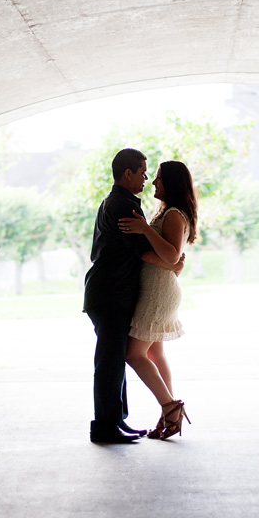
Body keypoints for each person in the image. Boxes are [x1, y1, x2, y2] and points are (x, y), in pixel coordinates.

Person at [83, 148, 185, 444]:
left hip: (111, 292)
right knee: (110, 360)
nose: (146, 179)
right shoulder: (124, 205)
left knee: (115, 359)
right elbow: (140, 251)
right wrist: (174, 263)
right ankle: (105, 425)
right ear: (127, 174)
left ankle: (116, 420)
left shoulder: (119, 201)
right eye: (142, 173)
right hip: (111, 292)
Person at [118, 160, 197, 440]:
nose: (153, 182)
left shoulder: (174, 214)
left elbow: (172, 256)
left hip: (158, 293)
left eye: (159, 178)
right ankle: (169, 415)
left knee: (134, 354)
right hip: (158, 287)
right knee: (154, 353)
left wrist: (144, 231)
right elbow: (172, 260)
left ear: (172, 183)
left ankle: (170, 407)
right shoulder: (167, 211)